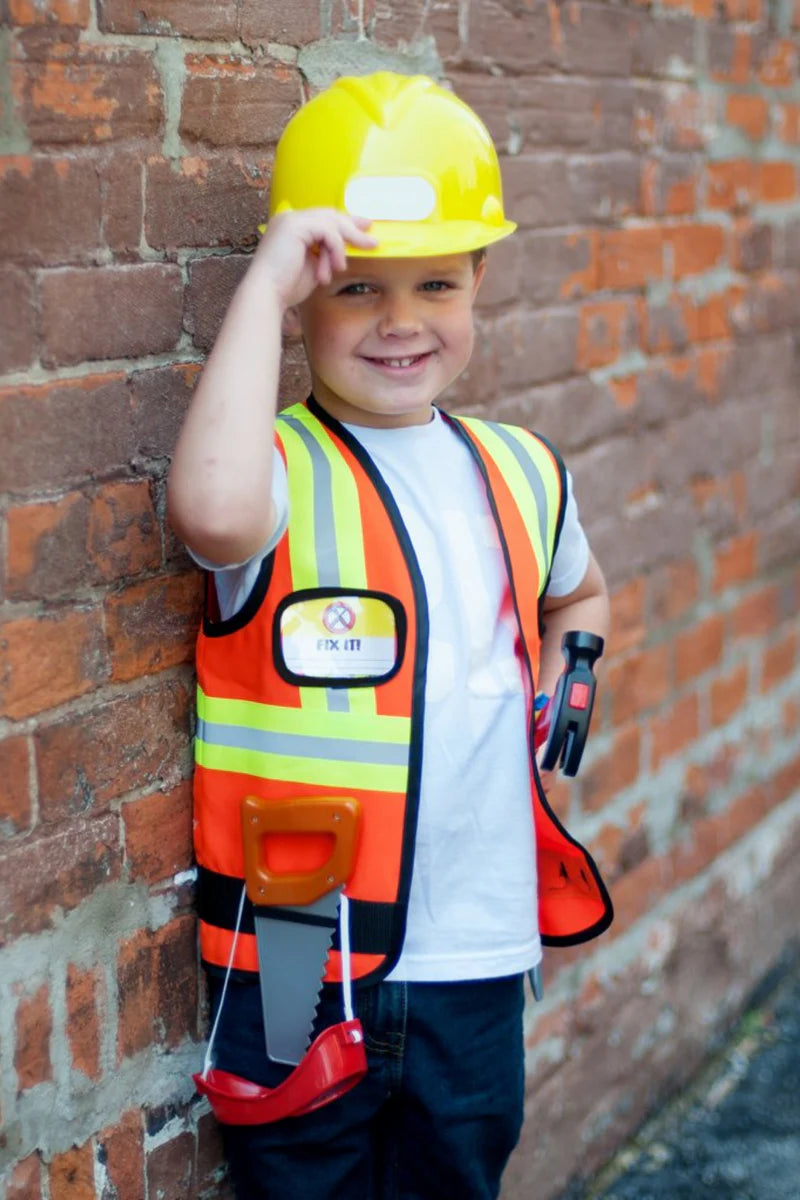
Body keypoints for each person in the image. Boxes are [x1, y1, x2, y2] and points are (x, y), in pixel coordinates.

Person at [168, 72, 613, 1200]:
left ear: (477, 285)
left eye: (435, 284)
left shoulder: (520, 470)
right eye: (356, 288)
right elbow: (206, 515)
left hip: (475, 941)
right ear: (305, 304)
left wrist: (574, 670)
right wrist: (262, 288)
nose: (400, 320)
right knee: (293, 1174)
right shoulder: (271, 472)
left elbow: (580, 594)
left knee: (456, 1174)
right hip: (295, 938)